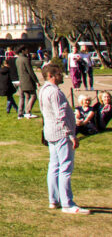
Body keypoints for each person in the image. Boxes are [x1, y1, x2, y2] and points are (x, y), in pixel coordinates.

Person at [39, 62, 90, 214]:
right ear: (51, 76)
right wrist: (71, 135)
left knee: (54, 166)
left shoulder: (44, 90)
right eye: (59, 74)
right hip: (60, 133)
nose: (62, 76)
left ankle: (54, 200)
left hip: (51, 132)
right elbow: (60, 114)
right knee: (65, 167)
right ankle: (67, 203)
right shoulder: (54, 92)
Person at [16, 48, 39, 119]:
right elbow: (30, 71)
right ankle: (27, 111)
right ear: (22, 51)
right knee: (33, 96)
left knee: (26, 96)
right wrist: (36, 80)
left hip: (21, 79)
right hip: (27, 80)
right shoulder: (25, 59)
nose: (27, 51)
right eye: (26, 50)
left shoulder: (18, 59)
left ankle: (22, 112)